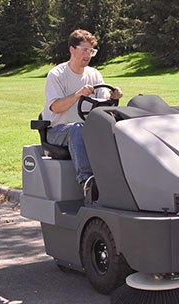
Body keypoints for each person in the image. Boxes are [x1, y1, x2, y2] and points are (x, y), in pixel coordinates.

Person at [43, 29, 122, 193]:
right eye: (84, 50)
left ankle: (118, 179)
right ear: (72, 50)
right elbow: (56, 107)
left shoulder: (94, 74)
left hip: (87, 129)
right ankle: (87, 182)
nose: (88, 55)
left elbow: (105, 104)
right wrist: (78, 94)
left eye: (91, 51)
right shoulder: (57, 75)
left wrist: (114, 98)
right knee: (77, 128)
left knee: (117, 128)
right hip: (58, 130)